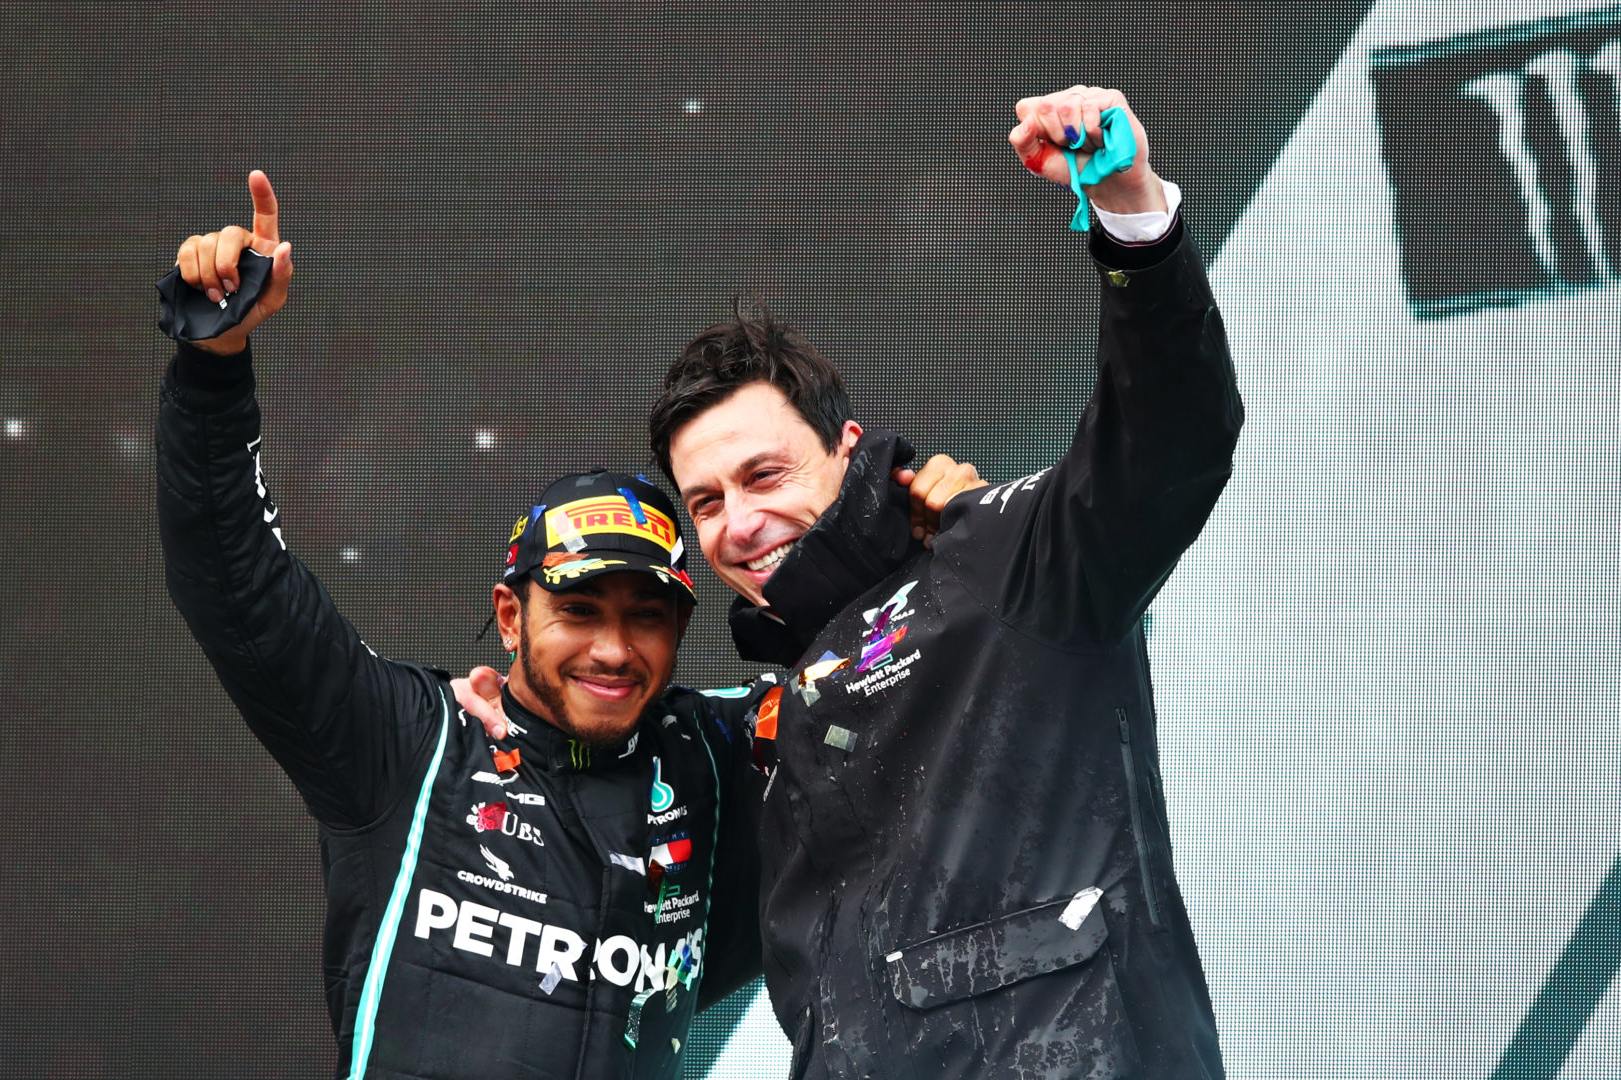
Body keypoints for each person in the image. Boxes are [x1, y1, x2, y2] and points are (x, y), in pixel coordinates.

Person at [469, 84, 1242, 1078]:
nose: (737, 521)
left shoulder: (1006, 561)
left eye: (763, 475)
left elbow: (1173, 437)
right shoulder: (771, 723)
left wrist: (1131, 215)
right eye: (704, 504)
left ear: (844, 448)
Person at [154, 171, 984, 1079]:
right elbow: (232, 580)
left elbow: (898, 707)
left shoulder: (718, 758)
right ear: (511, 614)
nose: (614, 649)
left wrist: (937, 550)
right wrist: (213, 368)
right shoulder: (408, 743)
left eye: (647, 617)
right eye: (579, 610)